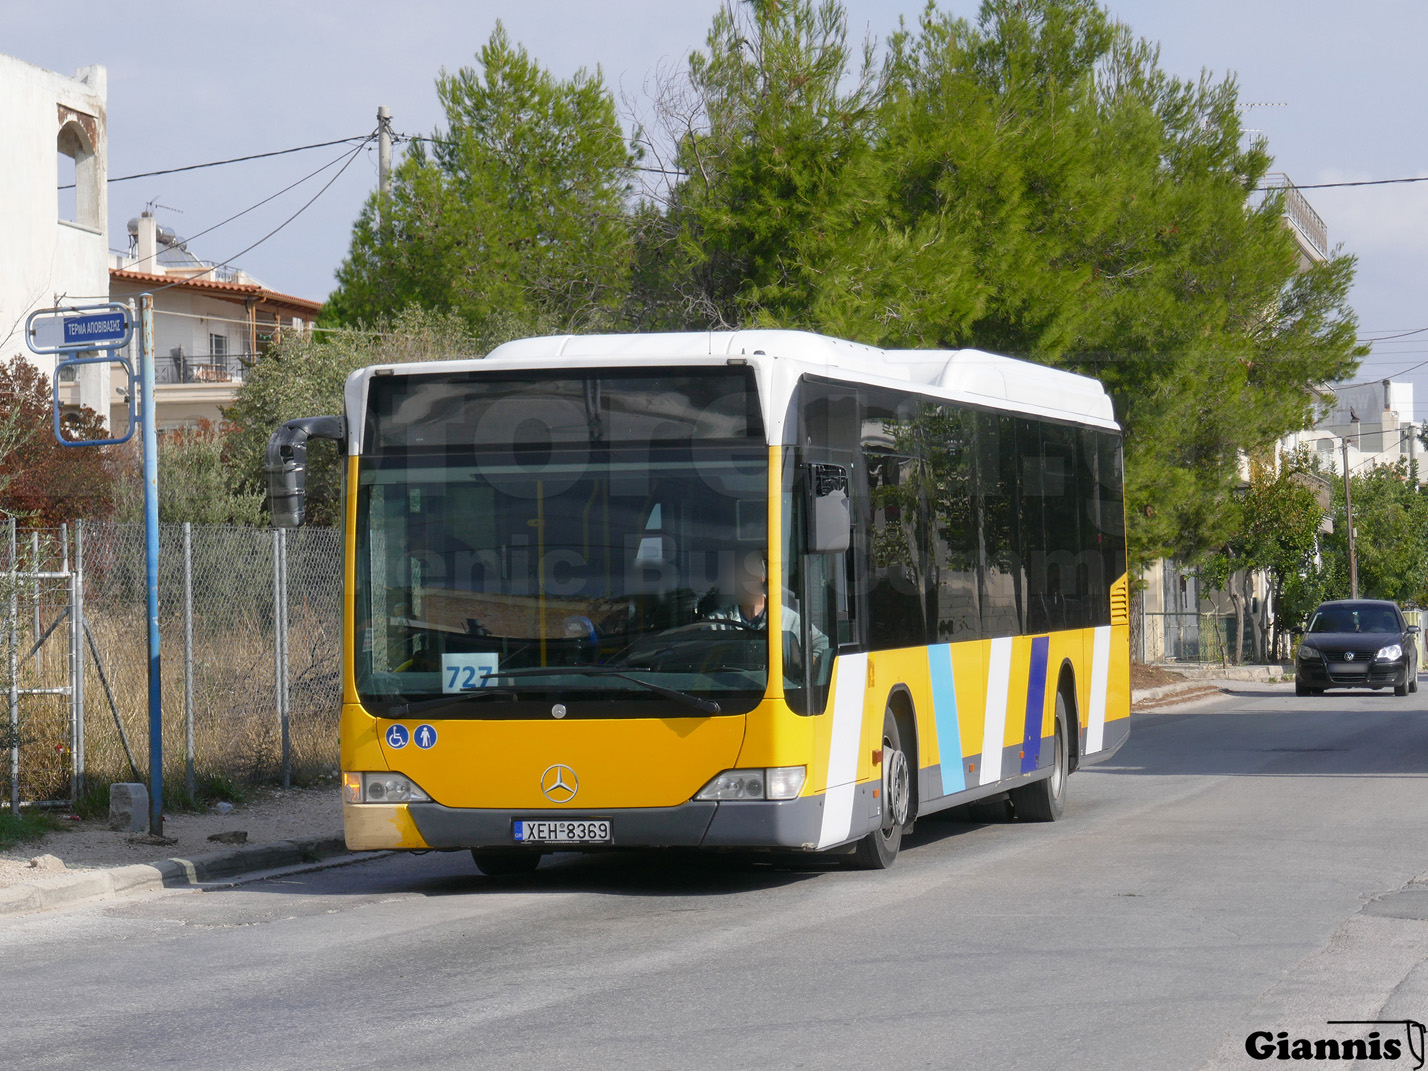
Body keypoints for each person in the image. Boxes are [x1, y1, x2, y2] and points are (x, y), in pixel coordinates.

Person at [703, 553, 831, 665]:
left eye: (751, 577)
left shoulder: (787, 617)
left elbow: (823, 642)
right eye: (741, 579)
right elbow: (697, 653)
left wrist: (809, 662)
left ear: (762, 579)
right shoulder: (717, 622)